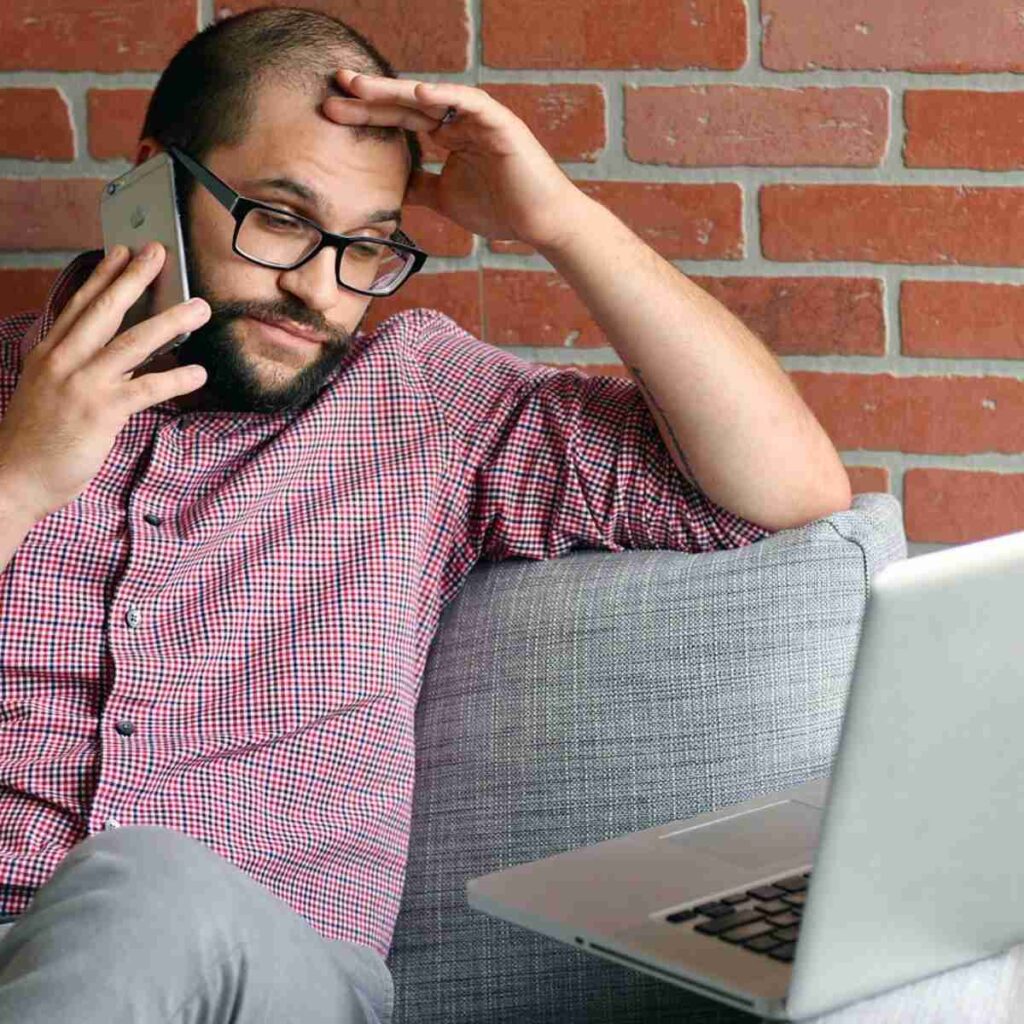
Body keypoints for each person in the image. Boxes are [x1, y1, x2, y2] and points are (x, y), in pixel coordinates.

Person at [0, 6, 852, 1023]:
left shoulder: (421, 405)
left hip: (268, 979)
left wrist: (559, 221)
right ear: (153, 179)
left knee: (142, 888)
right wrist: (20, 480)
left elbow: (787, 487)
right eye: (278, 218)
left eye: (367, 247)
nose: (319, 288)